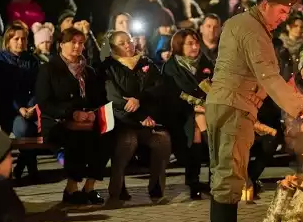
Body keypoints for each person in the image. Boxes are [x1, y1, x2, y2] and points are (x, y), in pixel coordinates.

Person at [205, 0, 303, 222]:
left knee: (223, 168)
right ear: (265, 5)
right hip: (235, 106)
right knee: (230, 171)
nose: (284, 18)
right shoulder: (253, 30)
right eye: (282, 11)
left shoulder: (240, 23)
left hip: (224, 103)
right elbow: (269, 77)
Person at [35, 28, 110, 205]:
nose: (78, 46)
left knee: (108, 136)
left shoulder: (88, 71)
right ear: (61, 45)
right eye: (73, 42)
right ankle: (72, 188)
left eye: (81, 42)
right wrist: (72, 113)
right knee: (76, 139)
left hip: (86, 121)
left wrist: (93, 113)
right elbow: (45, 102)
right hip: (58, 121)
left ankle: (89, 186)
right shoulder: (49, 69)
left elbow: (99, 99)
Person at [103, 31, 171, 203]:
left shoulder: (146, 63)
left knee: (162, 141)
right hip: (122, 121)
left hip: (146, 119)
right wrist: (140, 116)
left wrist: (141, 101)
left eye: (129, 41)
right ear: (113, 47)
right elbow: (115, 98)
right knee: (127, 142)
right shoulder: (108, 67)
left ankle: (156, 189)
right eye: (122, 43)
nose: (127, 45)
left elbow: (159, 88)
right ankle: (117, 190)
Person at [163, 29, 214, 200]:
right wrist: (196, 106)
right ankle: (195, 181)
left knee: (204, 132)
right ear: (180, 46)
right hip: (182, 113)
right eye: (189, 43)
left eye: (196, 42)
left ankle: (208, 180)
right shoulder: (171, 66)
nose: (194, 47)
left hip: (208, 110)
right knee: (196, 133)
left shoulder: (206, 63)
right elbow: (172, 95)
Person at [0, 23, 40, 181]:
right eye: (16, 39)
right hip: (7, 109)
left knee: (40, 127)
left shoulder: (31, 60)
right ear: (8, 40)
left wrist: (32, 106)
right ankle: (29, 165)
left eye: (23, 39)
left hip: (29, 107)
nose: (20, 42)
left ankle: (23, 165)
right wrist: (19, 109)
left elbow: (37, 87)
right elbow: (1, 92)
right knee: (25, 130)